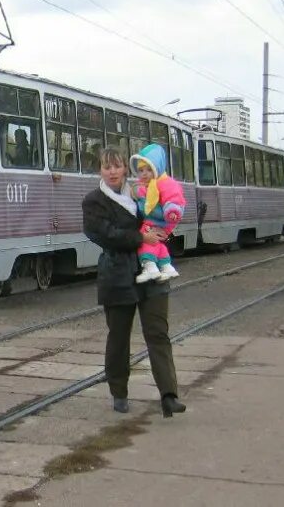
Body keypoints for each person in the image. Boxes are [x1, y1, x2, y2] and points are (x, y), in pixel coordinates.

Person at [82, 146, 187, 418]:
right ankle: (119, 392)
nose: (113, 171)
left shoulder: (144, 192)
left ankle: (169, 395)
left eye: (117, 166)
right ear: (100, 171)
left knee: (158, 334)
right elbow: (104, 234)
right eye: (107, 167)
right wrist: (142, 238)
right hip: (117, 275)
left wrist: (164, 230)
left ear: (125, 169)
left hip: (150, 272)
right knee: (118, 337)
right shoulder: (93, 201)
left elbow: (162, 215)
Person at [130, 144, 186, 283]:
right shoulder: (146, 186)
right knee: (158, 244)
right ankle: (167, 266)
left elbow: (174, 198)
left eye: (149, 169)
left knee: (145, 242)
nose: (144, 173)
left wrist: (172, 211)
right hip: (160, 223)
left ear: (157, 168)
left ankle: (150, 267)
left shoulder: (166, 183)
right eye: (141, 170)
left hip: (161, 221)